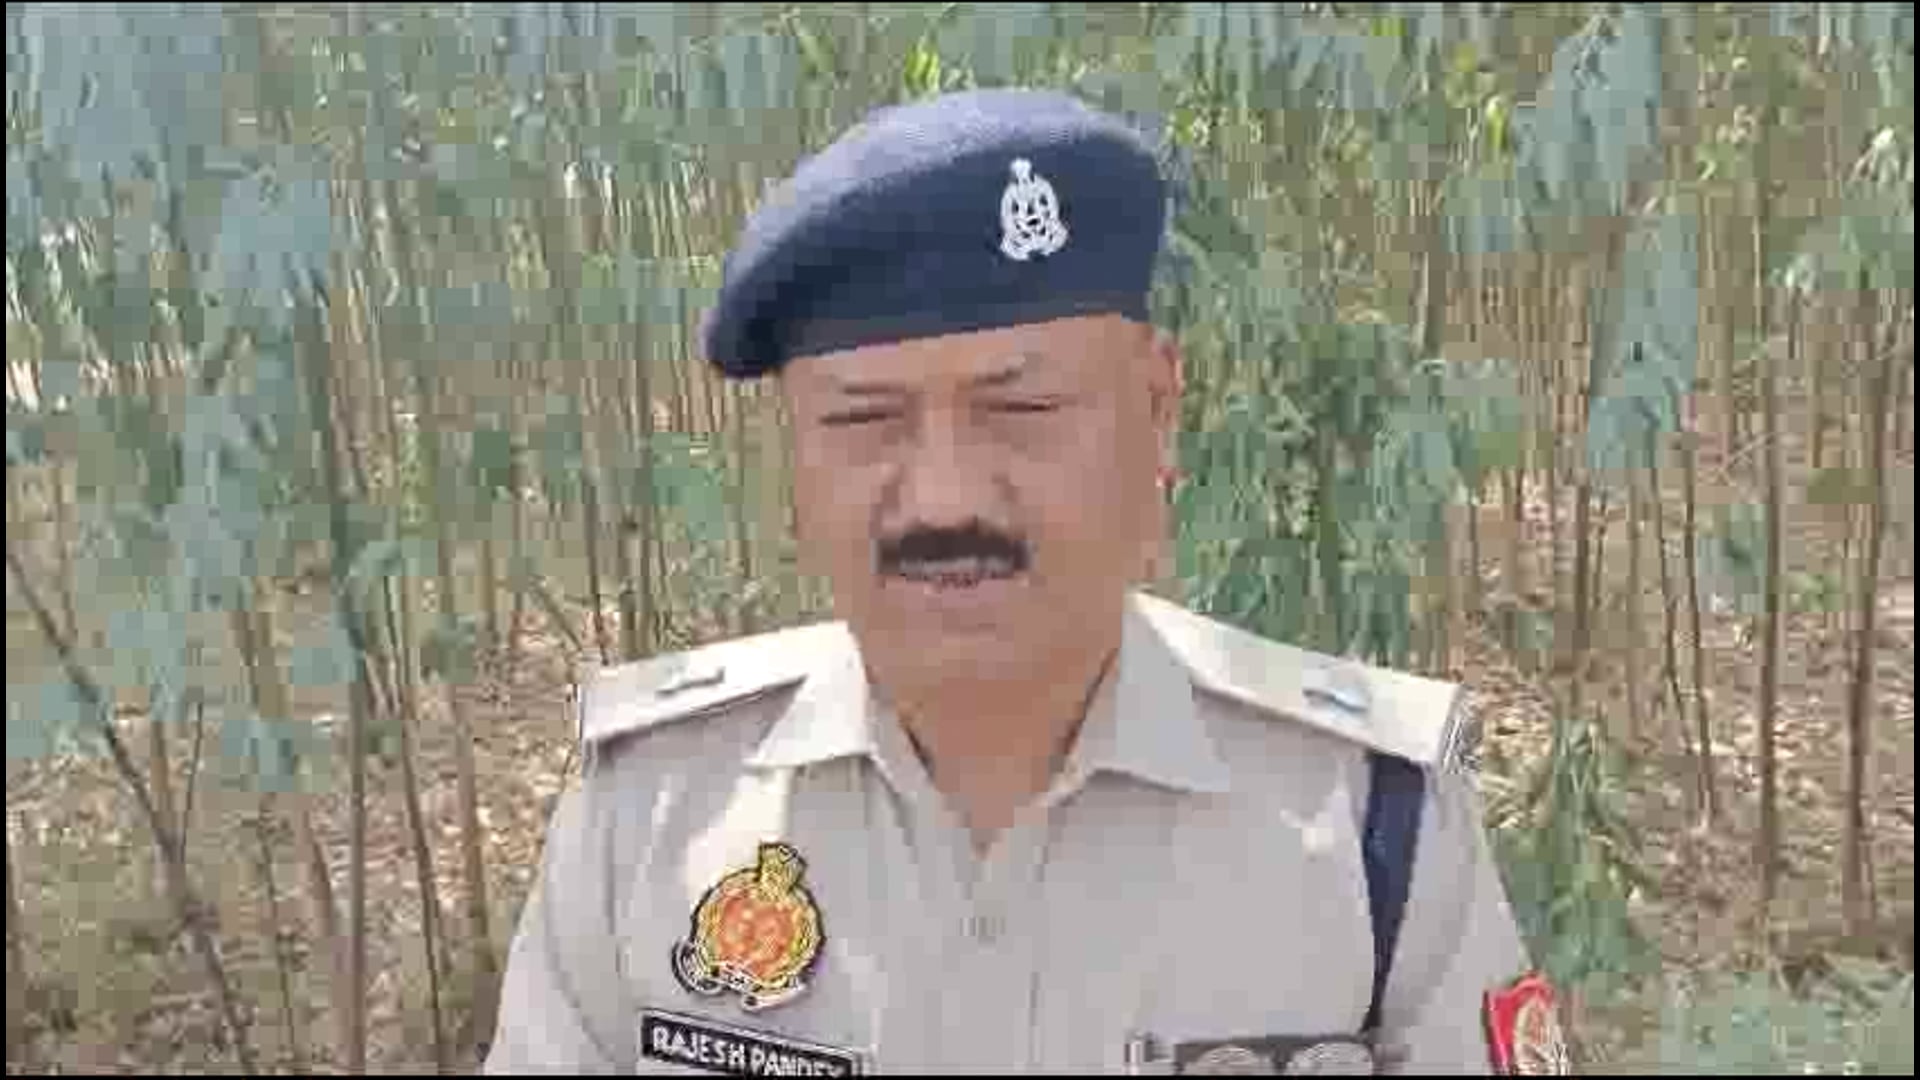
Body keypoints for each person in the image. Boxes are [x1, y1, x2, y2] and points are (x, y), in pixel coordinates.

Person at [485, 88, 1568, 1076]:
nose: (944, 496)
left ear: (1158, 412)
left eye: (1023, 410)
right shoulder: (645, 816)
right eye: (864, 420)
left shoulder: (1374, 826)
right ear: (795, 461)